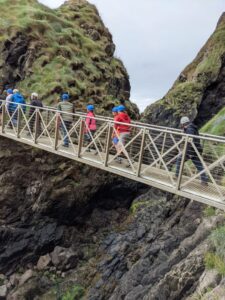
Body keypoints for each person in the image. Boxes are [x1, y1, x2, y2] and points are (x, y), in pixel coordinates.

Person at [175, 116, 208, 185]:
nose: (181, 126)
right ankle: (204, 181)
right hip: (196, 149)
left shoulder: (189, 129)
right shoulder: (191, 127)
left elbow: (190, 140)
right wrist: (184, 130)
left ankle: (177, 176)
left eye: (182, 124)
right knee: (199, 165)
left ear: (183, 124)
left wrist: (188, 152)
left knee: (179, 159)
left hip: (191, 150)